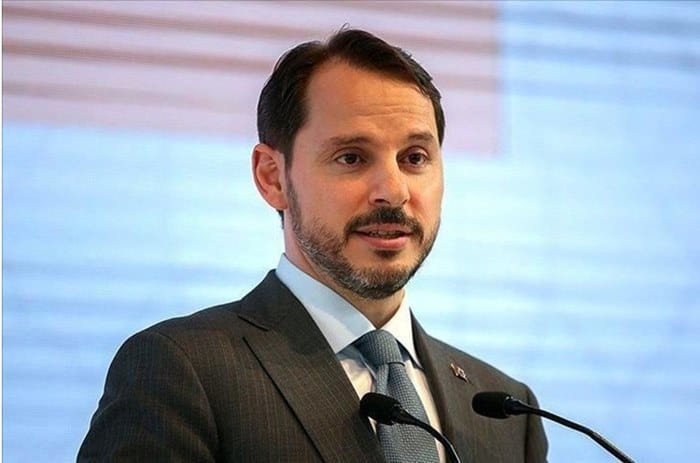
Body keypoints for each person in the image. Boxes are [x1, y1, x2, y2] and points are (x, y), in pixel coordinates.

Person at [78, 28, 548, 463]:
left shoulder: (508, 412)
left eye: (415, 157)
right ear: (272, 178)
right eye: (352, 157)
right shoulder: (182, 371)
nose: (394, 190)